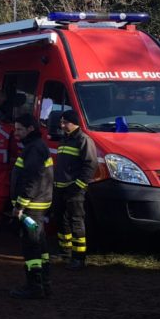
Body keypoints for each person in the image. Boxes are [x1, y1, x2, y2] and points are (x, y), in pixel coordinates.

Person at [9, 114, 54, 299]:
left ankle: (34, 286)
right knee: (40, 243)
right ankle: (44, 282)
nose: (16, 133)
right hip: (38, 204)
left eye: (20, 129)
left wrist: (20, 205)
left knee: (31, 246)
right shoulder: (35, 146)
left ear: (30, 129)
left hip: (31, 207)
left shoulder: (34, 149)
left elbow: (32, 179)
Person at [53, 110, 97, 270]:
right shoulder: (65, 139)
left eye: (66, 122)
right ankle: (64, 252)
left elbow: (90, 164)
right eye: (61, 122)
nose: (62, 125)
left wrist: (78, 185)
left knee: (76, 221)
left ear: (75, 123)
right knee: (61, 219)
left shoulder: (83, 140)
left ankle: (79, 257)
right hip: (60, 187)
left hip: (74, 189)